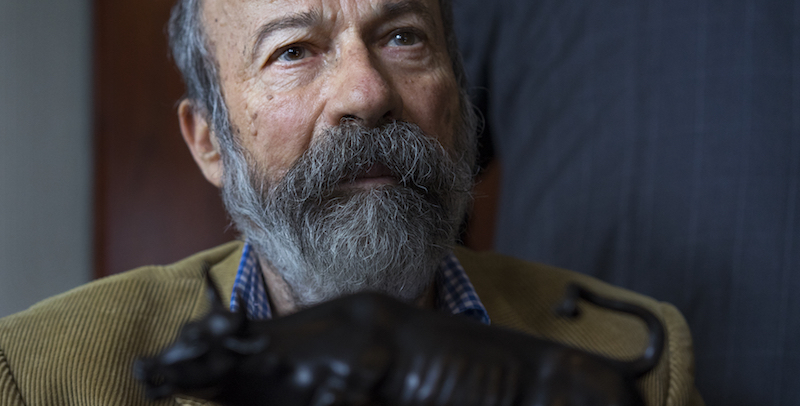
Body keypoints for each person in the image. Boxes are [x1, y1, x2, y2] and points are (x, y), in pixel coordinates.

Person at [0, 0, 702, 405]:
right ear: (209, 141)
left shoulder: (635, 360)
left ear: (457, 105)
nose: (366, 95)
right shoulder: (37, 376)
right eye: (293, 51)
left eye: (403, 38)